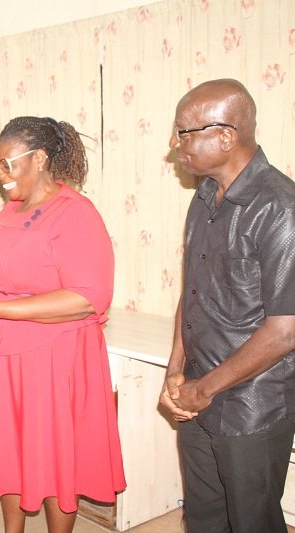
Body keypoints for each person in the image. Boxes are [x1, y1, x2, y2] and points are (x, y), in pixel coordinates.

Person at [0, 116, 126, 533]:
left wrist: (0, 311)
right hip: (1, 354)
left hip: (53, 357)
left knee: (54, 457)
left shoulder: (74, 213)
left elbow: (87, 298)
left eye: (7, 164)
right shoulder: (11, 209)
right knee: (9, 451)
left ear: (39, 158)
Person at [159, 79, 295, 533]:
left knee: (252, 521)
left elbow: (285, 330)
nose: (175, 144)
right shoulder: (202, 199)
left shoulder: (281, 208)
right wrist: (176, 371)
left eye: (184, 132)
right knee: (203, 518)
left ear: (224, 136)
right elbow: (192, 292)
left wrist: (204, 389)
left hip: (252, 405)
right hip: (198, 391)